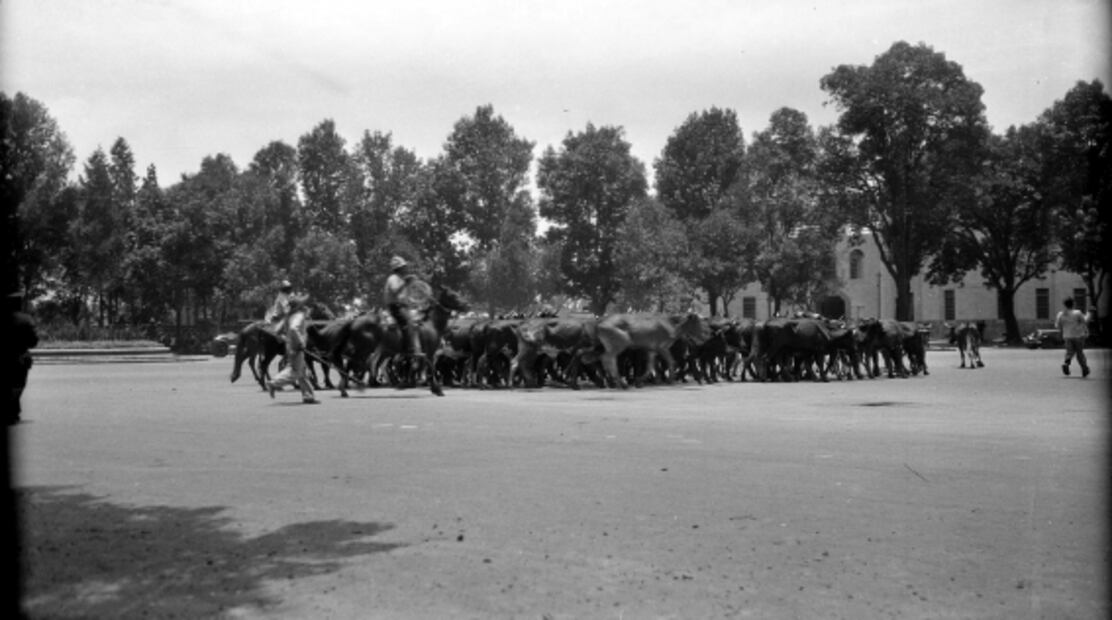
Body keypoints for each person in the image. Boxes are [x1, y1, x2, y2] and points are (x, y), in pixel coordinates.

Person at [266, 293, 318, 404]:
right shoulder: (298, 315)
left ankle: (308, 396)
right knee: (295, 372)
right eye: (303, 303)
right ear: (299, 306)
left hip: (291, 347)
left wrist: (288, 340)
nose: (306, 306)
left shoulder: (288, 316)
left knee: (303, 373)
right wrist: (300, 343)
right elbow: (294, 329)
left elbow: (277, 331)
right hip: (296, 348)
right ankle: (273, 383)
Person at [4, 292, 38, 425]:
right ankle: (13, 411)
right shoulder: (26, 319)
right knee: (18, 385)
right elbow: (33, 342)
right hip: (19, 358)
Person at [383, 256, 421, 356]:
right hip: (395, 307)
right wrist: (406, 282)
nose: (406, 268)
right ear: (399, 268)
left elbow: (404, 297)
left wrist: (414, 303)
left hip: (401, 306)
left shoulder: (400, 279)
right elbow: (395, 290)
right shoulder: (393, 278)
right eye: (404, 267)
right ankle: (407, 349)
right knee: (408, 322)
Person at [1055, 297, 1090, 378]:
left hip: (1067, 336)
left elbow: (1058, 326)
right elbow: (1085, 321)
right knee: (1079, 353)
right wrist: (1089, 313)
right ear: (1073, 304)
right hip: (1078, 336)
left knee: (1069, 351)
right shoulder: (1077, 313)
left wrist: (1062, 332)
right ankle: (1084, 368)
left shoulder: (1061, 314)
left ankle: (1066, 363)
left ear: (1065, 305)